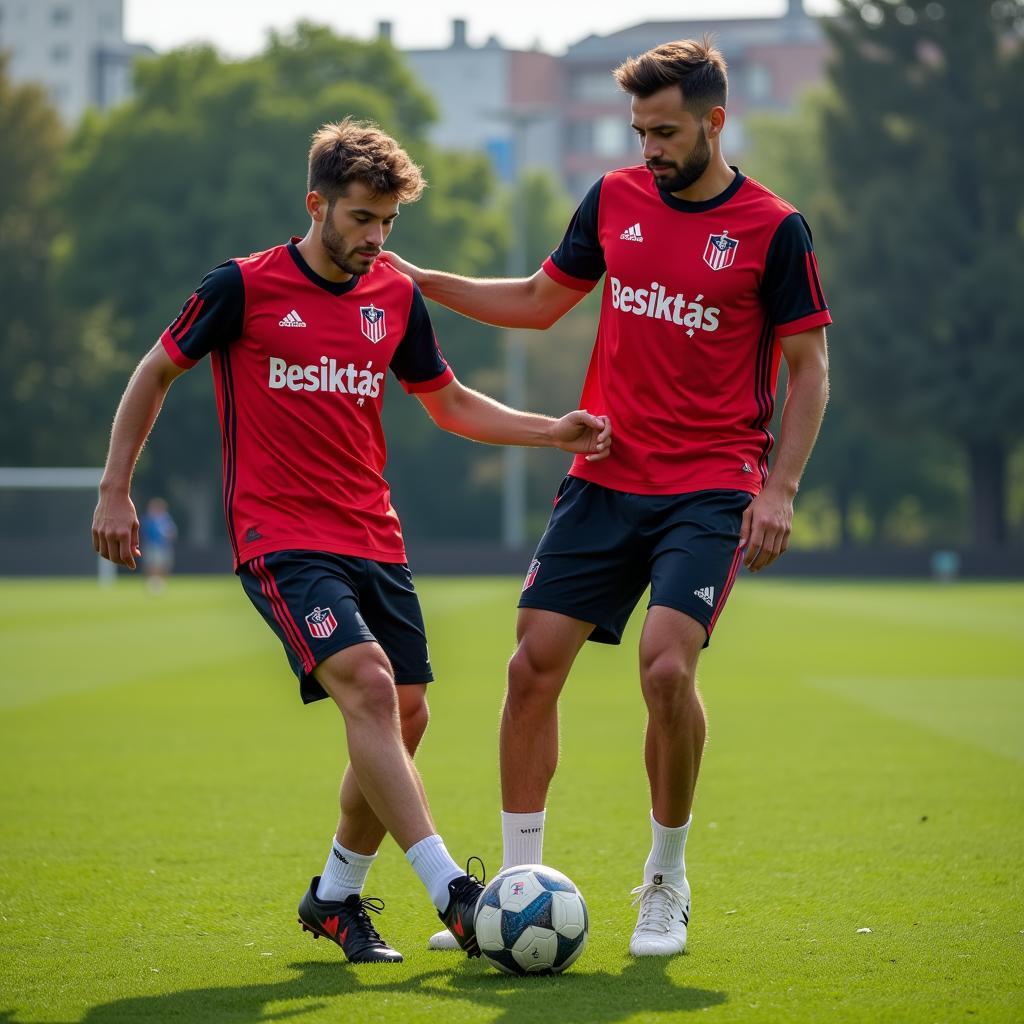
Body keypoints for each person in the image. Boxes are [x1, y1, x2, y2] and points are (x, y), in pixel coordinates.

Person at [91, 118, 611, 964]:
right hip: (280, 535)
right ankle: (454, 889)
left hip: (374, 535)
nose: (377, 240)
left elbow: (447, 401)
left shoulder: (395, 298)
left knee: (405, 715)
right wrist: (114, 489)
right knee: (369, 685)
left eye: (389, 224)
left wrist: (550, 429)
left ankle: (333, 897)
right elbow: (155, 369)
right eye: (364, 219)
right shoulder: (242, 286)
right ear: (317, 205)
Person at [385, 38, 831, 957]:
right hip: (605, 472)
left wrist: (779, 487)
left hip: (710, 484)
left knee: (667, 671)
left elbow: (809, 368)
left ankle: (664, 881)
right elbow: (540, 299)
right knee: (528, 669)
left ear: (716, 120)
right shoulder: (616, 199)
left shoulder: (773, 228)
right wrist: (423, 282)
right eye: (638, 131)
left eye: (665, 131)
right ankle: (513, 889)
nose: (649, 149)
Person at [139, 497, 177, 592]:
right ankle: (152, 584)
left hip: (164, 546)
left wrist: (169, 535)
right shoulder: (148, 519)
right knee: (152, 565)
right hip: (152, 546)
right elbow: (145, 532)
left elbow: (172, 531)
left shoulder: (166, 518)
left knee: (164, 565)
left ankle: (161, 584)